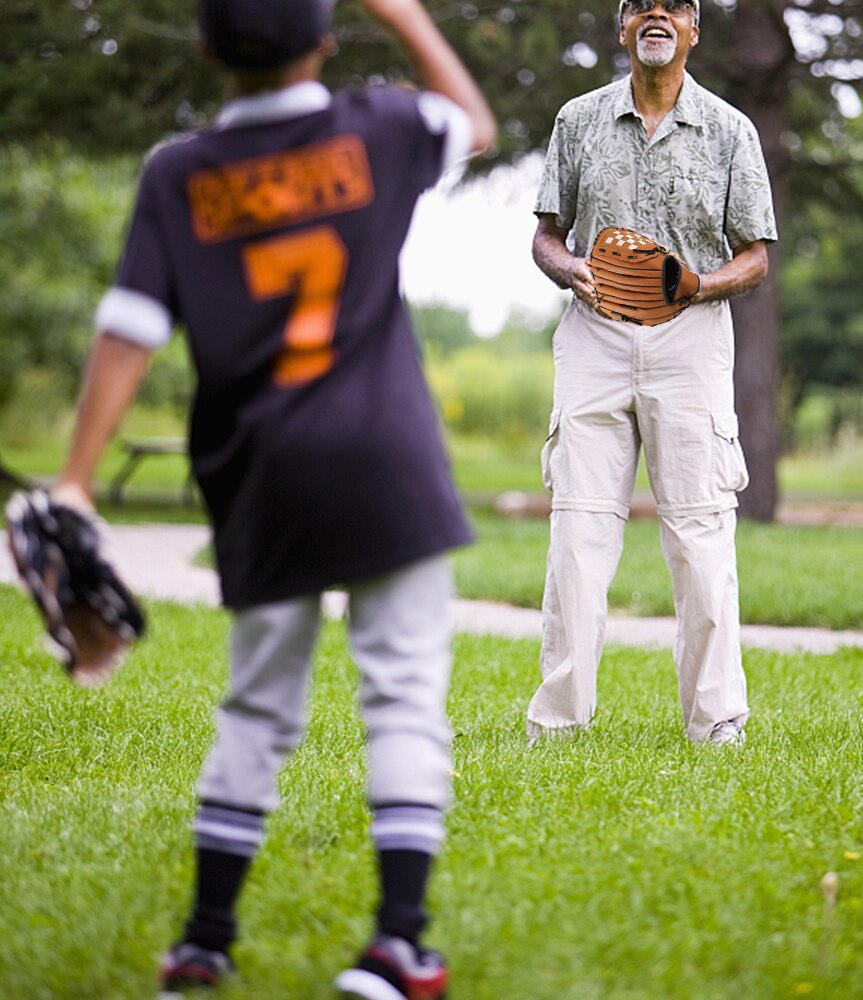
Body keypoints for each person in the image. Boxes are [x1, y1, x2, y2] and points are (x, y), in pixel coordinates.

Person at [48, 1, 495, 997]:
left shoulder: (179, 173)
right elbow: (473, 119)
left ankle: (204, 943)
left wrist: (78, 474)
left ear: (206, 50)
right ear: (324, 43)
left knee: (256, 705)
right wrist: (409, 16)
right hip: (387, 460)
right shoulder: (377, 126)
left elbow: (127, 328)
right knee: (405, 691)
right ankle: (396, 943)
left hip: (261, 469)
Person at [526, 0, 777, 748]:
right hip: (594, 339)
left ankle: (716, 722)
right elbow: (544, 236)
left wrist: (697, 285)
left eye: (675, 4)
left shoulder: (732, 130)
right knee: (577, 531)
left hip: (691, 340)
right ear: (623, 26)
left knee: (700, 533)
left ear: (695, 28)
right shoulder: (577, 120)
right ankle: (560, 722)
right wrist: (572, 269)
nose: (657, 14)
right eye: (642, 5)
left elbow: (757, 254)